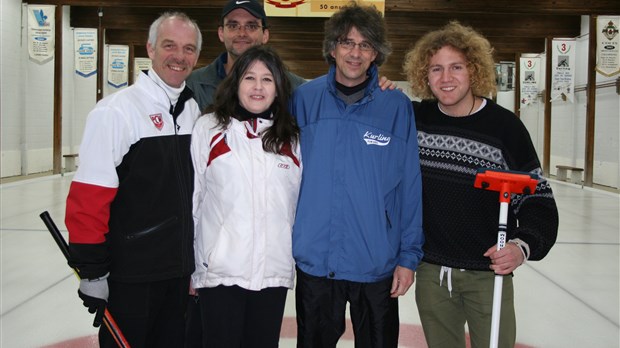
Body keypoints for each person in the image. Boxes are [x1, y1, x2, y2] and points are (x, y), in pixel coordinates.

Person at [403, 21, 559, 348]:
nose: (446, 78)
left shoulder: (506, 130)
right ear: (423, 75)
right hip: (432, 273)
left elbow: (539, 203)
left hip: (488, 274)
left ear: (473, 70)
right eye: (436, 69)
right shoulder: (416, 120)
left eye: (456, 67)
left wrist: (520, 246)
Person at [290, 3, 424, 347]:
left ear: (376, 54)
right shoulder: (304, 99)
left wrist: (408, 257)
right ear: (332, 48)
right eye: (347, 43)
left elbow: (409, 185)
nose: (355, 53)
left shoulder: (396, 107)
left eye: (365, 45)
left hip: (374, 260)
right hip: (316, 261)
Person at [64, 12, 202, 347]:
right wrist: (92, 272)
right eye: (170, 45)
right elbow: (88, 197)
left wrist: (197, 263)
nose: (179, 56)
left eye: (189, 48)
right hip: (131, 276)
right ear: (151, 48)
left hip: (179, 273)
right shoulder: (116, 112)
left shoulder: (193, 111)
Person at [191, 45, 301, 348]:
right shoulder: (209, 128)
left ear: (278, 88)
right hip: (220, 274)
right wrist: (194, 267)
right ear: (235, 82)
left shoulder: (291, 137)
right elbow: (194, 199)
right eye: (250, 77)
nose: (258, 87)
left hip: (272, 274)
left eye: (267, 79)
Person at [186, 0, 395, 113]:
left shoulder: (297, 89)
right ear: (221, 33)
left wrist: (373, 87)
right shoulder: (193, 84)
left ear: (265, 34)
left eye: (251, 26)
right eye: (233, 25)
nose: (242, 33)